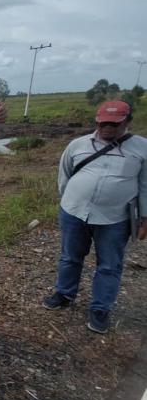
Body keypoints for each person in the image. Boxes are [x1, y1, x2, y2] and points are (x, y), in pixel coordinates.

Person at [44, 100, 147, 333]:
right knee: (70, 256)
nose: (108, 128)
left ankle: (100, 308)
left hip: (115, 218)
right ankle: (64, 294)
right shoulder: (77, 144)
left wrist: (145, 218)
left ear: (127, 122)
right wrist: (68, 200)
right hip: (74, 212)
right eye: (103, 123)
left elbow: (145, 185)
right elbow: (65, 174)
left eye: (114, 124)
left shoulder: (142, 148)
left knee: (109, 265)